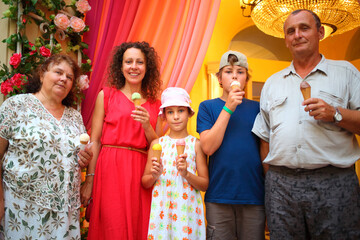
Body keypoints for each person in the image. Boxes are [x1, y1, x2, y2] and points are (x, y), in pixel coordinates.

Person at [252, 9, 360, 239]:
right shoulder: (272, 83)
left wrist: (335, 113)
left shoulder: (346, 73)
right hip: (281, 186)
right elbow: (265, 138)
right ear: (286, 40)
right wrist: (272, 185)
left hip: (334, 182)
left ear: (320, 32)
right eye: (291, 31)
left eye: (304, 28)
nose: (297, 35)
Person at [0, 54, 93, 239]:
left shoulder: (75, 117)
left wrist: (84, 159)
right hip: (23, 207)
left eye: (69, 77)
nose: (64, 79)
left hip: (63, 213)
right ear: (42, 74)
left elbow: (76, 155)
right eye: (58, 72)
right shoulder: (16, 106)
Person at [82, 41, 163, 239]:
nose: (134, 66)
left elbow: (157, 145)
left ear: (147, 67)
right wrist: (89, 180)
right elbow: (96, 140)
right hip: (110, 168)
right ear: (121, 66)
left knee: (140, 226)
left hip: (141, 172)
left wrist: (147, 126)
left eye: (139, 62)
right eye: (129, 61)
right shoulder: (106, 95)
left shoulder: (156, 104)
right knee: (112, 225)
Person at [197, 51, 265, 240]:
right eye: (228, 71)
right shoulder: (207, 107)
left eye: (240, 71)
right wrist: (228, 108)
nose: (234, 75)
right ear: (219, 78)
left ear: (246, 78)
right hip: (219, 196)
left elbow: (265, 151)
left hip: (253, 195)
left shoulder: (257, 109)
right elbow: (208, 148)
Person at [142, 87, 208, 239]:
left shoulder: (196, 144)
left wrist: (186, 174)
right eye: (170, 112)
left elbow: (204, 184)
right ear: (164, 116)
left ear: (189, 113)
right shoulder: (157, 144)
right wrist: (154, 175)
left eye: (181, 111)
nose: (176, 117)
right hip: (163, 214)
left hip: (188, 214)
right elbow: (145, 182)